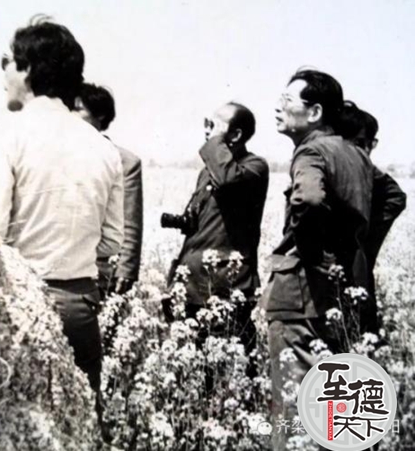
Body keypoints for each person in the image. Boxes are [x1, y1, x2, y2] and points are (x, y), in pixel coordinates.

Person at [0, 19, 124, 396]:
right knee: (82, 416)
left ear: (28, 70)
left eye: (8, 63)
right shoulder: (104, 149)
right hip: (80, 308)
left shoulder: (7, 136)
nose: (4, 74)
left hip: (23, 305)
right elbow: (112, 242)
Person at [262, 69, 374, 450]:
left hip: (301, 296)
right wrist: (354, 251)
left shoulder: (310, 151)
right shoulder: (356, 154)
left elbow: (308, 200)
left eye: (287, 100)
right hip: (342, 297)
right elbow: (388, 198)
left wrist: (310, 253)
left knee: (294, 416)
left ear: (314, 113)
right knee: (333, 416)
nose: (278, 107)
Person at [163, 102, 269, 360]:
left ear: (236, 134)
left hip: (225, 287)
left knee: (227, 364)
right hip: (192, 285)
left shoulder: (254, 167)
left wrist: (216, 143)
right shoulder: (209, 172)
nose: (207, 131)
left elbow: (227, 178)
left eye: (213, 125)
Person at [338, 102, 407, 333]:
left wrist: (362, 233)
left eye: (370, 144)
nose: (366, 151)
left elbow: (395, 197)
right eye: (360, 143)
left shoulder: (366, 168)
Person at [75, 83, 144, 298]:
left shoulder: (125, 161)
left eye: (79, 110)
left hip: (102, 267)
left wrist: (126, 268)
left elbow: (130, 219)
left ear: (100, 115)